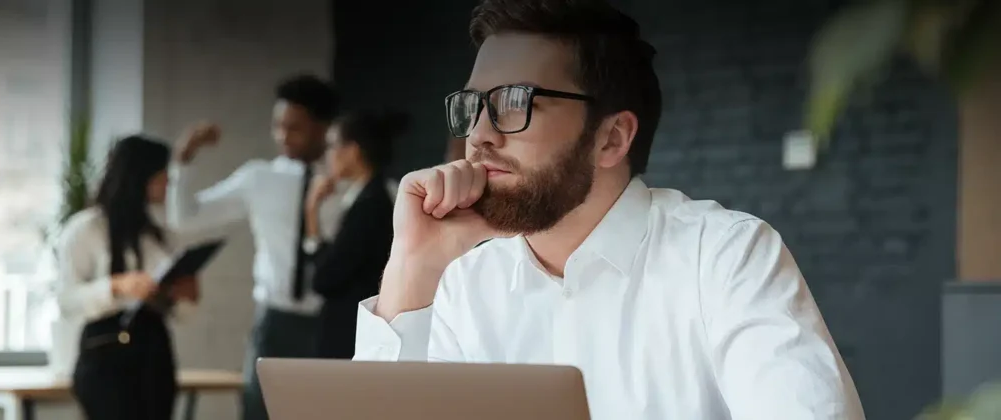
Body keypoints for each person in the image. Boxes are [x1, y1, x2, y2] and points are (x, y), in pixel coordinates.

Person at [352, 1, 866, 419]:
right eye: (472, 107)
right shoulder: (466, 282)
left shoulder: (723, 257)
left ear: (611, 138)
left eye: (513, 102)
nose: (479, 135)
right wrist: (413, 265)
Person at [166, 74, 394, 420]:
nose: (282, 136)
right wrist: (183, 160)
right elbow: (185, 219)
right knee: (259, 412)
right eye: (278, 126)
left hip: (329, 322)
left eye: (295, 128)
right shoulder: (258, 178)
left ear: (323, 128)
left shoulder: (351, 185)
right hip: (274, 320)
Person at [57, 136, 199, 420]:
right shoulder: (86, 229)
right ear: (141, 176)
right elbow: (67, 300)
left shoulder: (161, 235)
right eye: (162, 176)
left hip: (153, 352)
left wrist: (184, 295)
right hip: (105, 353)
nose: (167, 183)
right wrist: (117, 286)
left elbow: (183, 314)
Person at [301, 110, 404, 359]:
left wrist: (311, 210)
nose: (327, 155)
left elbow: (325, 278)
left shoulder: (369, 204)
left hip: (348, 334)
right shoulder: (371, 197)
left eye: (332, 146)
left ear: (352, 150)